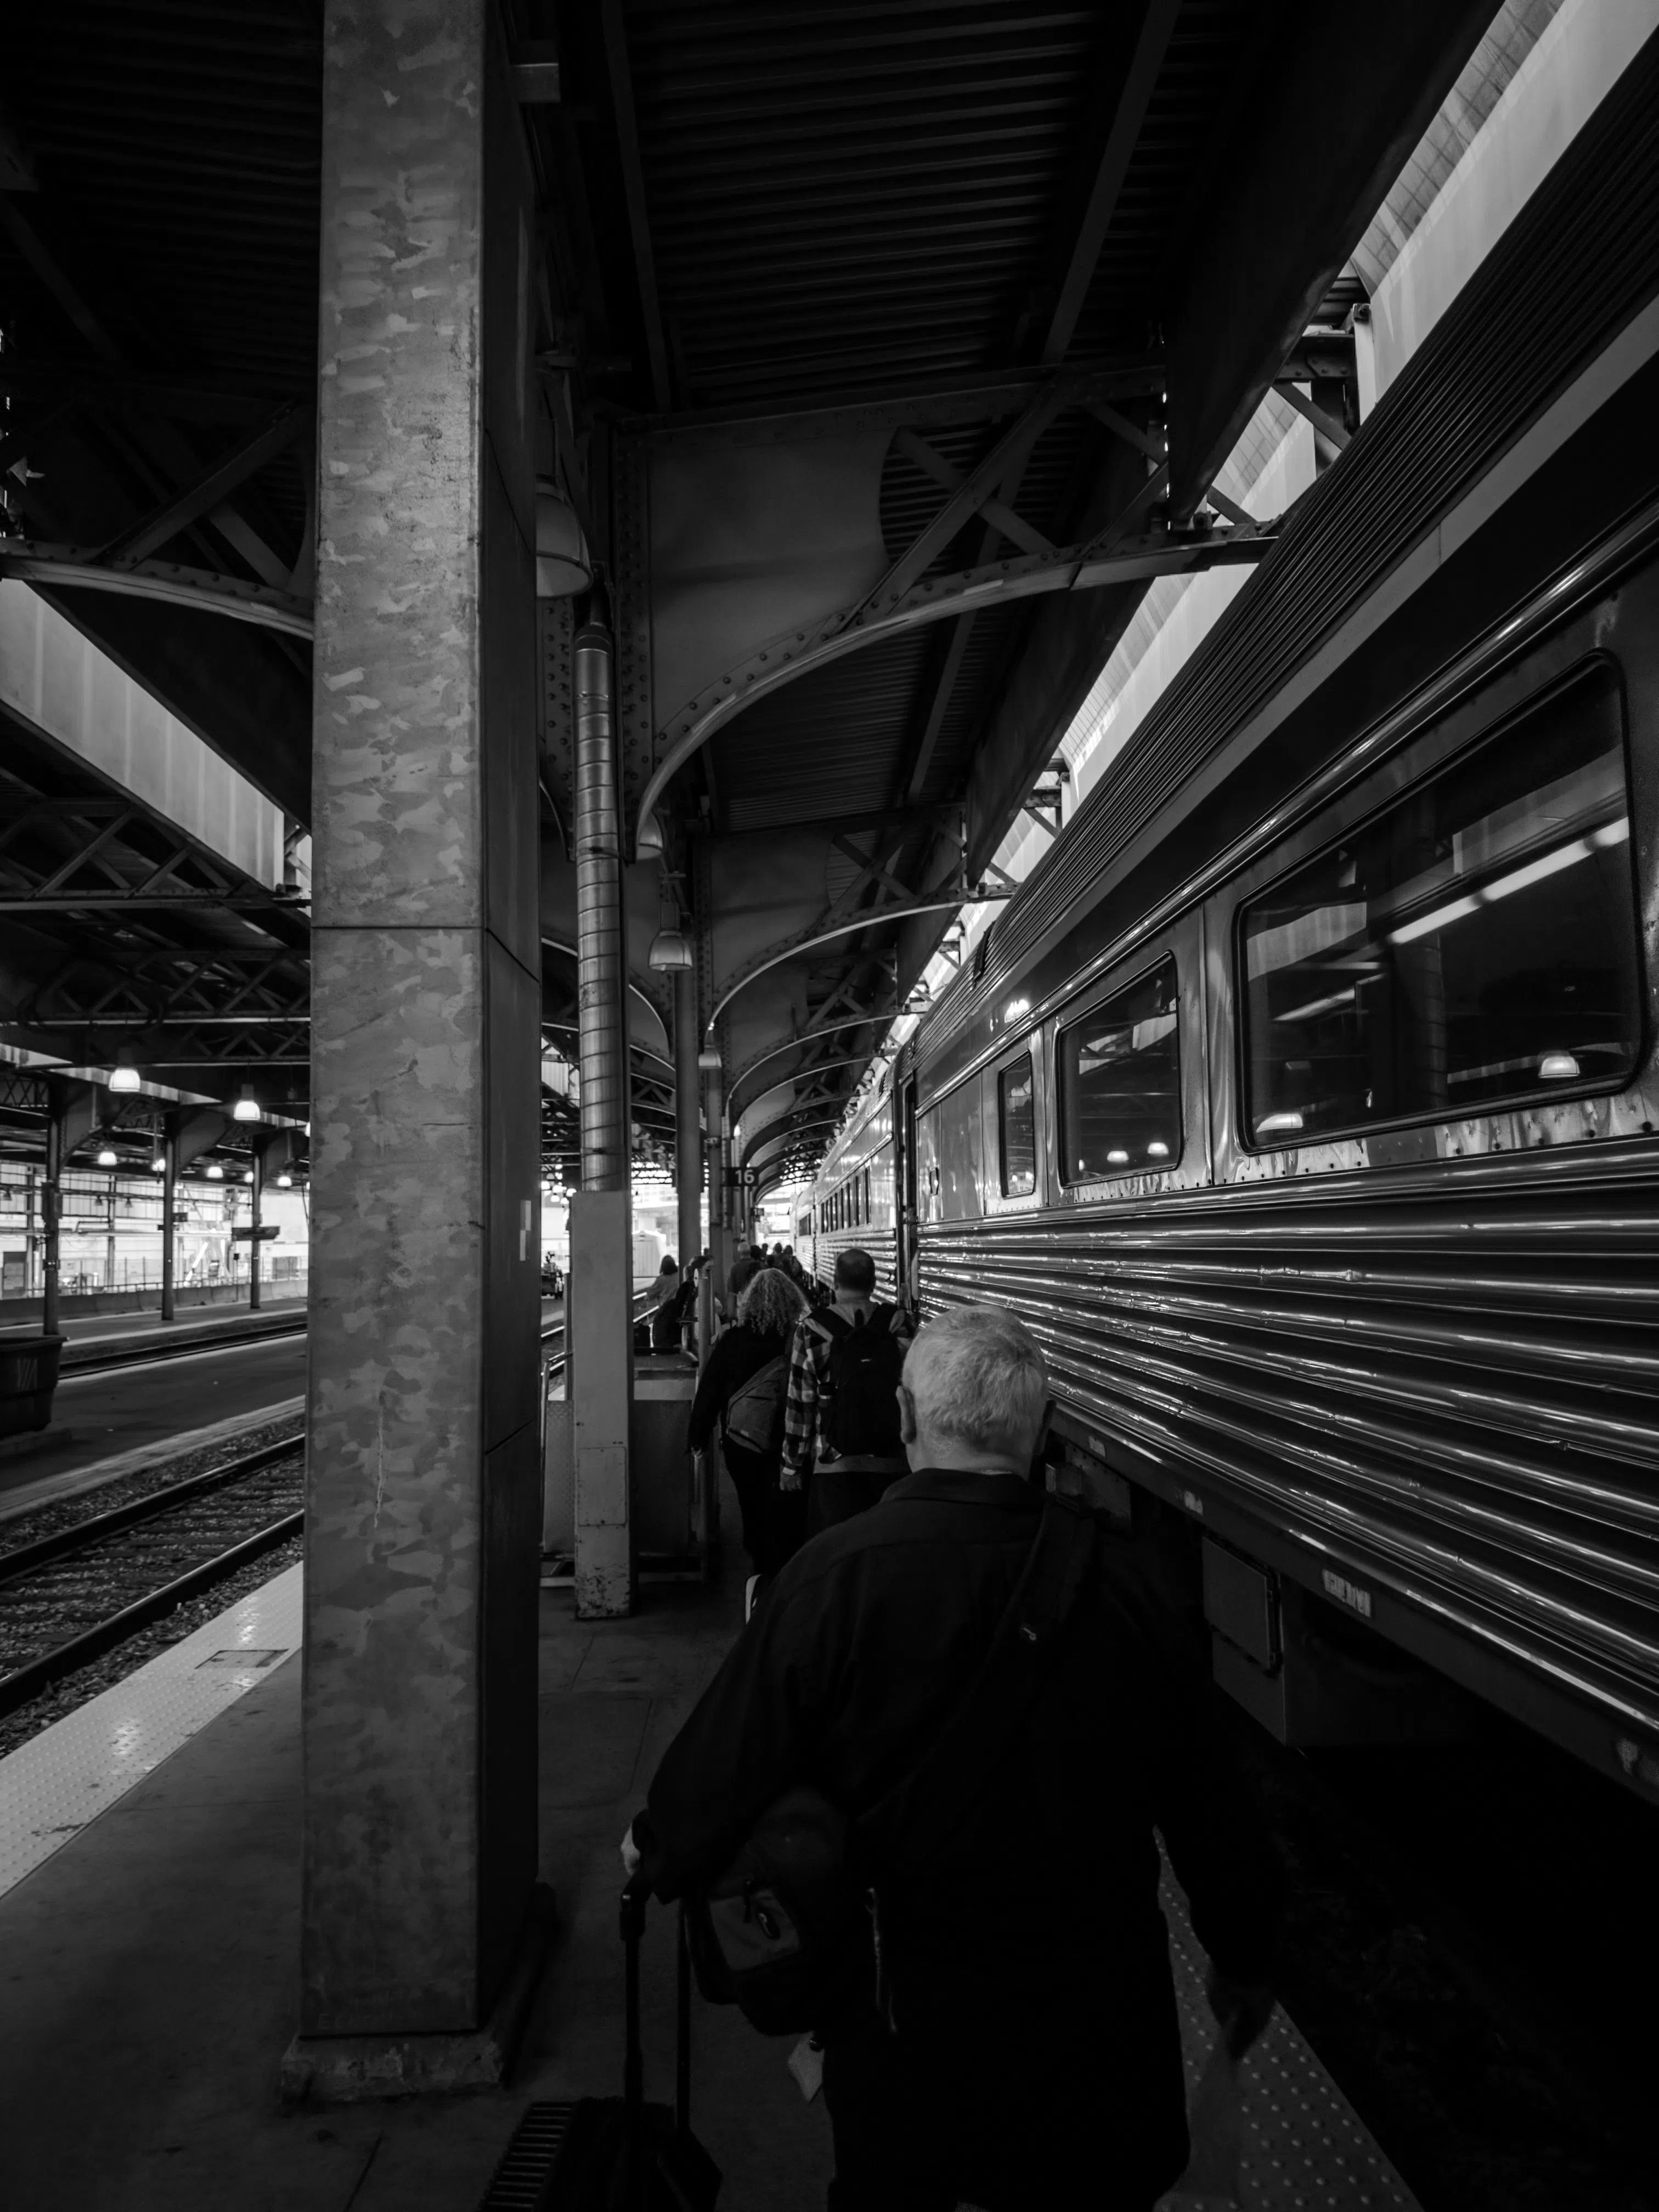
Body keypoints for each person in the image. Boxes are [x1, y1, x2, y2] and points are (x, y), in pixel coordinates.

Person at [624, 1302, 1280, 2212]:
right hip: (1095, 2030)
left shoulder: (830, 1577)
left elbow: (726, 1761)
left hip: (903, 2020)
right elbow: (1211, 1802)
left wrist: (655, 1846)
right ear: (1044, 1430)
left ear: (903, 1418)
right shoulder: (1129, 1584)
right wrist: (1244, 1955)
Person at [687, 1266, 810, 1584]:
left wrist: (698, 1436)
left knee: (752, 1505)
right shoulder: (800, 1338)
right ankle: (790, 1571)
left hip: (742, 1441)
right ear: (792, 1301)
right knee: (788, 1508)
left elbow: (710, 1391)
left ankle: (760, 1575)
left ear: (749, 1302)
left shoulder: (733, 1340)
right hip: (790, 1440)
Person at [781, 1246, 910, 1532]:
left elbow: (800, 1404)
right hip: (893, 1461)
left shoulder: (812, 1330)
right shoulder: (900, 1325)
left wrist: (792, 1465)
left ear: (836, 1282)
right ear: (873, 1283)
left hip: (834, 1463)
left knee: (836, 1549)